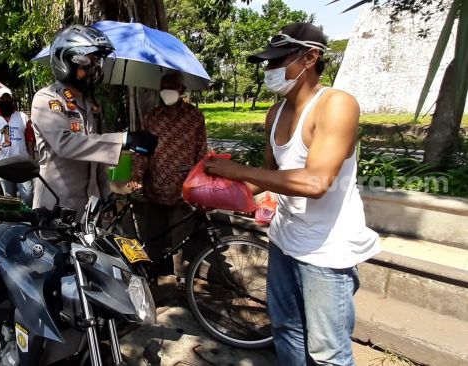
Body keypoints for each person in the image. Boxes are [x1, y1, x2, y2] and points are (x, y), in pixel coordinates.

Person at [204, 23, 381, 366]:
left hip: (326, 251)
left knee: (328, 352)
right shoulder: (276, 113)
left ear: (310, 57)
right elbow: (270, 178)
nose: (270, 71)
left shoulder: (336, 105)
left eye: (277, 61)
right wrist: (211, 191)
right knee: (287, 330)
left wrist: (237, 171)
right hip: (285, 240)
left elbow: (316, 183)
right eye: (268, 64)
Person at [30, 24, 158, 217]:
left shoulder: (89, 104)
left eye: (96, 63)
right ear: (66, 63)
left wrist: (107, 195)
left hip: (87, 210)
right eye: (86, 62)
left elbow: (94, 156)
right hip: (54, 207)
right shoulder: (47, 99)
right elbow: (65, 144)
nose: (93, 70)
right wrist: (124, 139)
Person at [129, 72, 208, 278]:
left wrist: (197, 184)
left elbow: (201, 153)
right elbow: (143, 151)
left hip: (183, 189)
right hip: (155, 186)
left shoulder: (194, 117)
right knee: (153, 236)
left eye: (172, 87)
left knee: (181, 237)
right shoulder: (152, 118)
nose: (167, 92)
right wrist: (136, 176)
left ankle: (182, 278)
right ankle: (152, 275)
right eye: (163, 87)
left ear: (181, 90)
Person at [0, 87, 35, 206]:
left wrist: (32, 158)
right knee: (9, 198)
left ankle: (28, 220)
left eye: (8, 98)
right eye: (2, 99)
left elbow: (30, 139)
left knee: (28, 196)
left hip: (23, 163)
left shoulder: (22, 117)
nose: (5, 101)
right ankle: (13, 222)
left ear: (12, 100)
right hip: (4, 165)